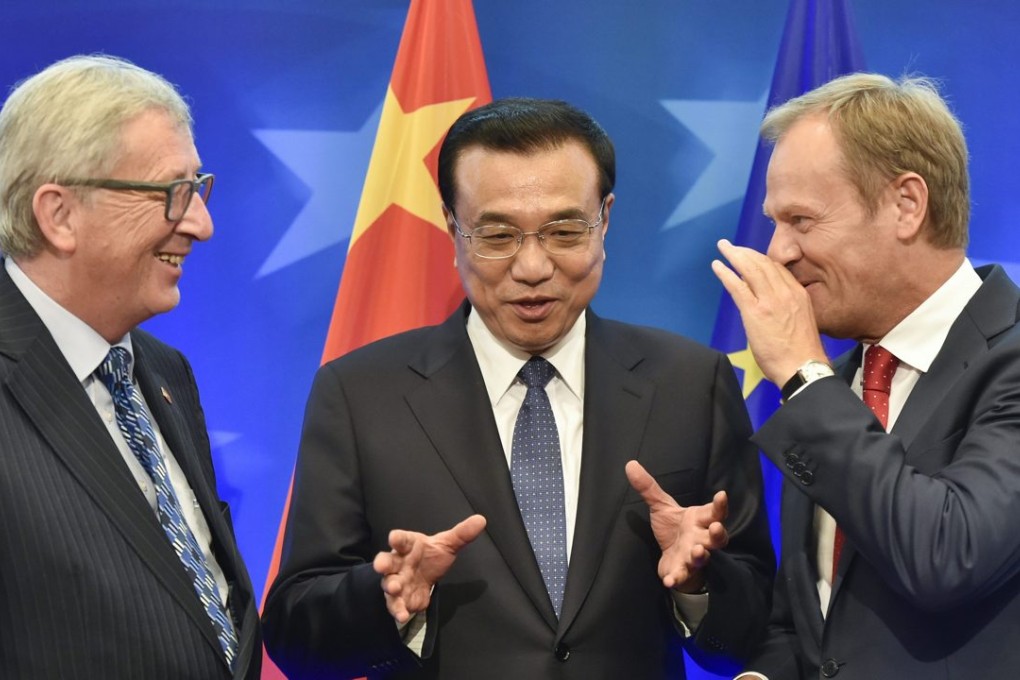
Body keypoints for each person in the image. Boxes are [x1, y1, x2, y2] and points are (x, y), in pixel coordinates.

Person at [262, 97, 774, 679]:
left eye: (564, 231)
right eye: (498, 235)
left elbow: (757, 628)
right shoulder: (360, 394)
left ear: (605, 219)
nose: (532, 267)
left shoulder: (690, 383)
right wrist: (383, 600)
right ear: (452, 226)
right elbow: (294, 637)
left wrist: (699, 583)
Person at [714, 73, 1020, 679]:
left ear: (906, 205)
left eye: (801, 220)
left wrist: (803, 377)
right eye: (775, 222)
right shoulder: (837, 385)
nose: (777, 252)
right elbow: (811, 623)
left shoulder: (816, 390)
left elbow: (948, 556)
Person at [0, 55, 261, 678]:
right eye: (172, 193)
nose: (201, 224)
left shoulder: (165, 372)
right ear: (59, 215)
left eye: (198, 187)